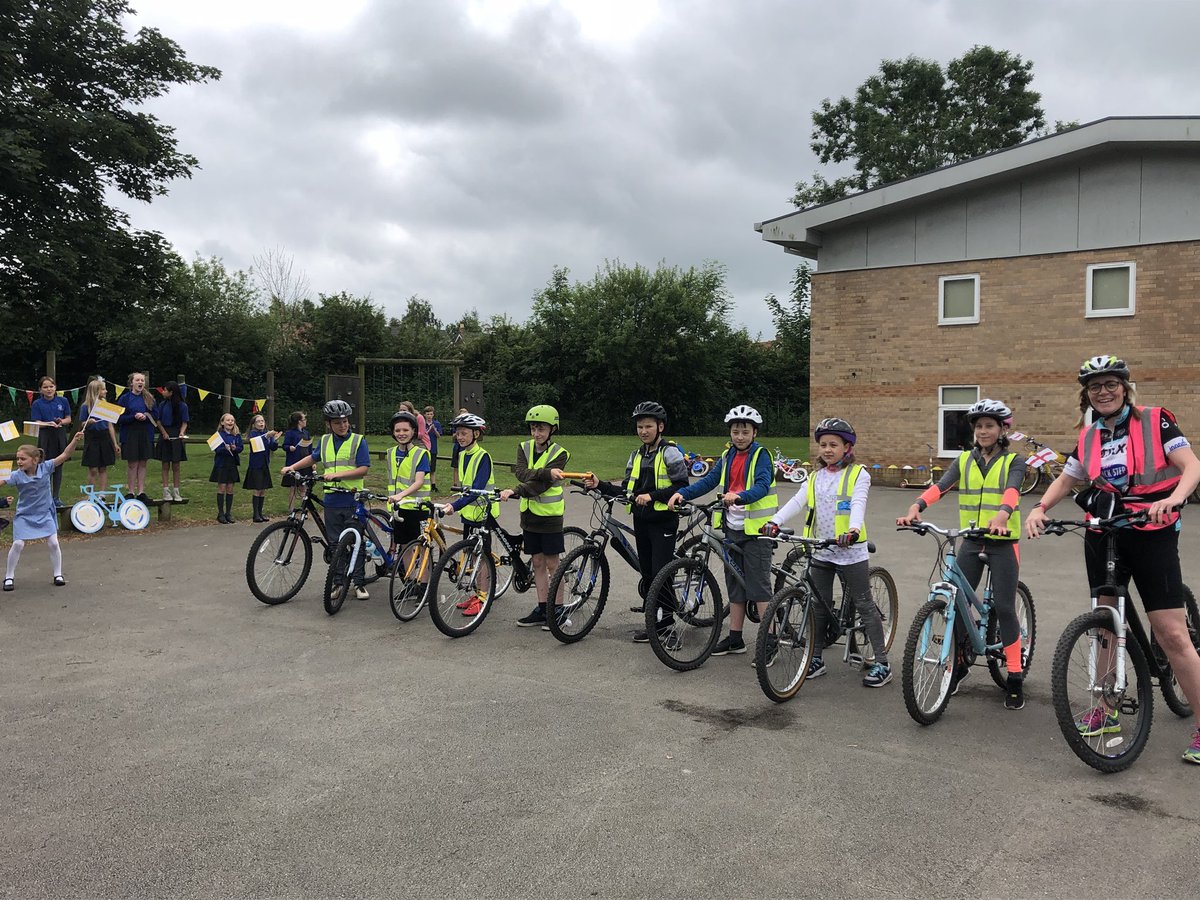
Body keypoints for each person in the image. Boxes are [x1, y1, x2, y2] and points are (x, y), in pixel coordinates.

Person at [1025, 355, 1200, 763]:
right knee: (1105, 624)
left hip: (1152, 529)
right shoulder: (1089, 435)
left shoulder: (1155, 420)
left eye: (1110, 384)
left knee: (1172, 634)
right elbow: (1068, 478)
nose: (1103, 392)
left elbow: (1191, 465)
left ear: (1124, 388)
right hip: (1104, 532)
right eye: (1095, 387)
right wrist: (1040, 508)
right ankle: (1106, 710)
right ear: (1086, 395)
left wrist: (1175, 498)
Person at [898, 401, 1027, 704]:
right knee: (956, 602)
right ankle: (958, 664)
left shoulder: (1014, 461)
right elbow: (942, 486)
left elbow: (1012, 490)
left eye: (989, 426)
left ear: (1002, 429)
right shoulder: (965, 460)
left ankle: (1014, 675)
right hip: (971, 539)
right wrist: (917, 506)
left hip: (1003, 540)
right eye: (979, 426)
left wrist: (1003, 515)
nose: (983, 431)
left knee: (1004, 607)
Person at [669, 405, 777, 657]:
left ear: (754, 433)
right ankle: (735, 639)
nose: (740, 436)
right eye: (735, 432)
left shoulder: (761, 455)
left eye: (745, 432)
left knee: (759, 588)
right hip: (732, 528)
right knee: (735, 587)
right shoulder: (727, 455)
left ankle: (770, 640)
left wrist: (739, 496)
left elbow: (762, 485)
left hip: (756, 531)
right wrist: (682, 493)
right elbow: (709, 481)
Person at [583, 401, 689, 643]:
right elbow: (627, 491)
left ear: (660, 427)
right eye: (640, 427)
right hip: (641, 520)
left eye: (648, 426)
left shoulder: (670, 452)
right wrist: (600, 485)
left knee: (661, 574)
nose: (643, 431)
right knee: (649, 573)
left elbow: (682, 486)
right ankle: (655, 625)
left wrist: (652, 496)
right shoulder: (636, 455)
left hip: (663, 521)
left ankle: (667, 627)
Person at [281, 400, 372, 601]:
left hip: (352, 497)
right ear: (329, 424)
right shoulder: (325, 441)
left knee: (355, 542)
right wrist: (292, 467)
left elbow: (363, 468)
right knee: (334, 544)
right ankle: (338, 582)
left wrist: (339, 475)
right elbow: (313, 458)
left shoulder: (358, 441)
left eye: (345, 421)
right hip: (332, 498)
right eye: (337, 422)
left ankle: (359, 582)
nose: (342, 425)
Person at [500, 405, 571, 628]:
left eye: (541, 429)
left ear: (552, 430)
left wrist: (517, 490)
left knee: (552, 564)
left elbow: (540, 486)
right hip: (529, 515)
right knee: (537, 562)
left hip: (550, 517)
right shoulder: (524, 447)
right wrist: (545, 472)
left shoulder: (560, 453)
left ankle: (558, 609)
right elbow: (521, 473)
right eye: (533, 428)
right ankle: (542, 608)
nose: (536, 433)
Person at [1, 432, 83, 591]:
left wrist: (74, 440)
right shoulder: (16, 475)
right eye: (17, 459)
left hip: (45, 513)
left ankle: (58, 574)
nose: (19, 462)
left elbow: (65, 455)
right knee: (18, 544)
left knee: (53, 543)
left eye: (22, 459)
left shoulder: (46, 467)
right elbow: (2, 480)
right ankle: (9, 577)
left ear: (35, 460)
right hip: (25, 515)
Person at [439, 413, 497, 617]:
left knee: (482, 556)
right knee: (472, 554)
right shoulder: (463, 454)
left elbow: (477, 489)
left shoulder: (483, 456)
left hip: (483, 512)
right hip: (469, 514)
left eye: (464, 433)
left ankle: (483, 597)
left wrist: (454, 506)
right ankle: (477, 593)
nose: (460, 437)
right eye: (457, 433)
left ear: (476, 434)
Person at [386, 410, 432, 584]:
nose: (401, 433)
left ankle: (424, 585)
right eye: (397, 430)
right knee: (405, 546)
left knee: (422, 548)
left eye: (405, 430)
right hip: (399, 509)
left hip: (417, 507)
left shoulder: (420, 454)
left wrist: (400, 495)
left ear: (413, 431)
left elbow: (419, 482)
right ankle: (410, 582)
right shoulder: (391, 453)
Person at [29, 375, 72, 508]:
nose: (49, 389)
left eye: (51, 386)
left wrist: (61, 421)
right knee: (44, 467)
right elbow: (36, 422)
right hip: (45, 436)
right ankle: (44, 497)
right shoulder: (37, 404)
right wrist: (48, 423)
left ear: (55, 387)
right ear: (40, 390)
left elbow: (68, 418)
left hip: (59, 435)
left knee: (58, 466)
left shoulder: (63, 400)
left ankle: (56, 497)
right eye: (45, 387)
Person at [116, 371, 156, 503]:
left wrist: (146, 416)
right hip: (130, 434)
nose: (140, 382)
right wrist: (133, 417)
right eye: (137, 380)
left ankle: (141, 492)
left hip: (145, 433)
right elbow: (118, 418)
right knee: (132, 463)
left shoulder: (149, 398)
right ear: (131, 382)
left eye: (142, 380)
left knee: (143, 463)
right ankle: (130, 491)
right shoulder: (124, 399)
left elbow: (156, 415)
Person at [78, 377, 120, 491]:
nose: (106, 391)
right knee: (93, 469)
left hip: (104, 436)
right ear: (96, 391)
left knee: (103, 468)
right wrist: (89, 422)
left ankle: (102, 494)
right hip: (92, 437)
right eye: (103, 389)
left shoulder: (105, 405)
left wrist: (115, 443)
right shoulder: (85, 406)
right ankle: (91, 494)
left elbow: (110, 425)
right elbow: (82, 424)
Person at [154, 380, 189, 501]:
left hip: (176, 434)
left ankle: (176, 491)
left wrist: (182, 432)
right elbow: (158, 421)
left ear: (171, 392)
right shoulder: (162, 405)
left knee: (176, 465)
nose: (163, 392)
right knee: (165, 464)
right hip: (165, 433)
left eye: (165, 390)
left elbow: (185, 422)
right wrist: (164, 433)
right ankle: (165, 491)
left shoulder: (182, 406)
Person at [243, 413, 279, 523]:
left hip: (265, 464)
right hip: (256, 465)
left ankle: (260, 513)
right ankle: (255, 514)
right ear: (253, 424)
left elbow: (273, 447)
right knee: (257, 489)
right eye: (258, 421)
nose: (261, 423)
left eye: (262, 421)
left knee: (263, 489)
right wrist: (266, 437)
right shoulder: (253, 434)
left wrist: (274, 440)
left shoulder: (266, 434)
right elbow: (256, 445)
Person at [210, 412, 242, 525]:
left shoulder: (236, 435)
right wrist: (225, 448)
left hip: (232, 464)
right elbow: (216, 450)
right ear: (222, 422)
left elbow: (241, 448)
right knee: (222, 488)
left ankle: (228, 513)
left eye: (232, 420)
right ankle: (220, 513)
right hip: (221, 464)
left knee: (230, 488)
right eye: (228, 420)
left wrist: (234, 448)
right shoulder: (218, 435)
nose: (230, 422)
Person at [280, 411, 311, 511]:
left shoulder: (306, 433)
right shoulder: (290, 433)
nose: (305, 421)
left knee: (304, 487)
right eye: (304, 419)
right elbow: (284, 446)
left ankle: (304, 509)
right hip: (293, 462)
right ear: (299, 421)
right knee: (293, 488)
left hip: (305, 462)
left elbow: (310, 448)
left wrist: (313, 462)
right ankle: (291, 510)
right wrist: (289, 447)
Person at [424, 405, 442, 493]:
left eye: (431, 414)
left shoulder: (436, 423)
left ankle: (433, 485)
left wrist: (434, 429)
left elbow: (439, 436)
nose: (429, 416)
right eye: (428, 414)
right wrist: (428, 430)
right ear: (425, 415)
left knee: (432, 468)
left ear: (433, 415)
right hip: (424, 448)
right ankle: (424, 484)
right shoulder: (422, 424)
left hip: (433, 448)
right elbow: (422, 435)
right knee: (424, 467)